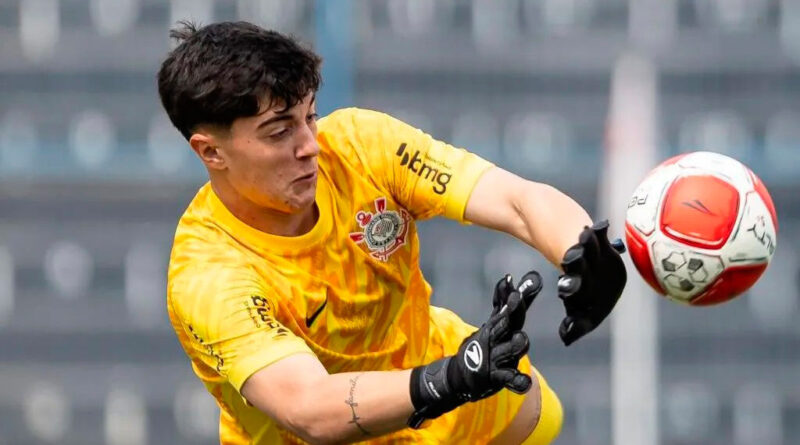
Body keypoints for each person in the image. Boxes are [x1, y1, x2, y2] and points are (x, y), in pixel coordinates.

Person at [159, 21, 626, 445]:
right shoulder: (208, 275)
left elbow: (514, 199)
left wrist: (581, 249)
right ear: (211, 152)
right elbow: (309, 409)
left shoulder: (360, 145)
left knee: (540, 412)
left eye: (310, 117)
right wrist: (445, 381)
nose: (309, 147)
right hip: (394, 408)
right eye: (278, 132)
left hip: (464, 399)